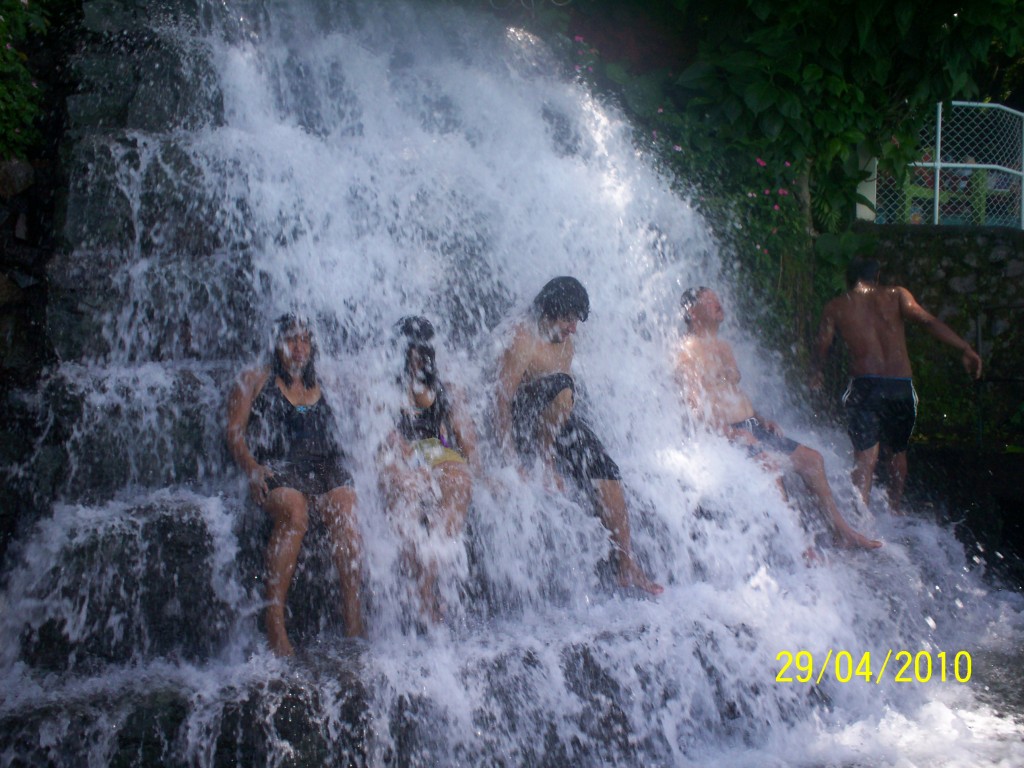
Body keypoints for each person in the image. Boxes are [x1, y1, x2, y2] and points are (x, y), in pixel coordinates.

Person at [677, 287, 881, 551]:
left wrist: (760, 418)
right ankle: (801, 548)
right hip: (725, 434)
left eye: (717, 298)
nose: (718, 302)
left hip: (752, 428)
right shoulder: (686, 352)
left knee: (813, 460)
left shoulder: (723, 347)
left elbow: (731, 393)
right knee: (771, 467)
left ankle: (840, 530)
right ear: (693, 313)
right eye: (710, 300)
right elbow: (692, 407)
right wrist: (730, 432)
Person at [495, 276, 663, 595]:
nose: (573, 328)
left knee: (606, 470)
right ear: (549, 310)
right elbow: (501, 399)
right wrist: (512, 459)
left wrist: (572, 448)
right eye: (568, 319)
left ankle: (626, 562)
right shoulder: (523, 338)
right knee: (562, 385)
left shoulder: (565, 346)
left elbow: (563, 407)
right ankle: (546, 459)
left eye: (576, 321)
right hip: (522, 423)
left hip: (552, 421)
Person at [226, 313, 364, 656]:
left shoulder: (324, 381)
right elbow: (234, 432)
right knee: (295, 510)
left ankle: (354, 620)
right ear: (277, 343)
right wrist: (252, 469)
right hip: (278, 466)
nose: (299, 347)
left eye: (305, 340)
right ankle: (275, 623)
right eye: (291, 339)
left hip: (323, 468)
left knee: (346, 508)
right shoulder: (255, 379)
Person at [811, 257, 982, 511]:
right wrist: (965, 347)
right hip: (900, 386)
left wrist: (816, 372)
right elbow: (927, 321)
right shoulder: (897, 295)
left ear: (848, 278)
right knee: (898, 451)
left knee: (866, 456)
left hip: (865, 385)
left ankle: (860, 517)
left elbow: (823, 344)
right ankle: (895, 510)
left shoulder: (836, 306)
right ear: (877, 276)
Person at [378, 316, 478, 622]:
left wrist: (475, 466)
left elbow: (465, 435)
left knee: (459, 482)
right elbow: (381, 432)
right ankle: (411, 584)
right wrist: (408, 461)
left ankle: (425, 584)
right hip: (393, 452)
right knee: (408, 486)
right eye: (415, 349)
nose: (421, 356)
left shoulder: (443, 387)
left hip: (433, 450)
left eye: (426, 350)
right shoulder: (381, 384)